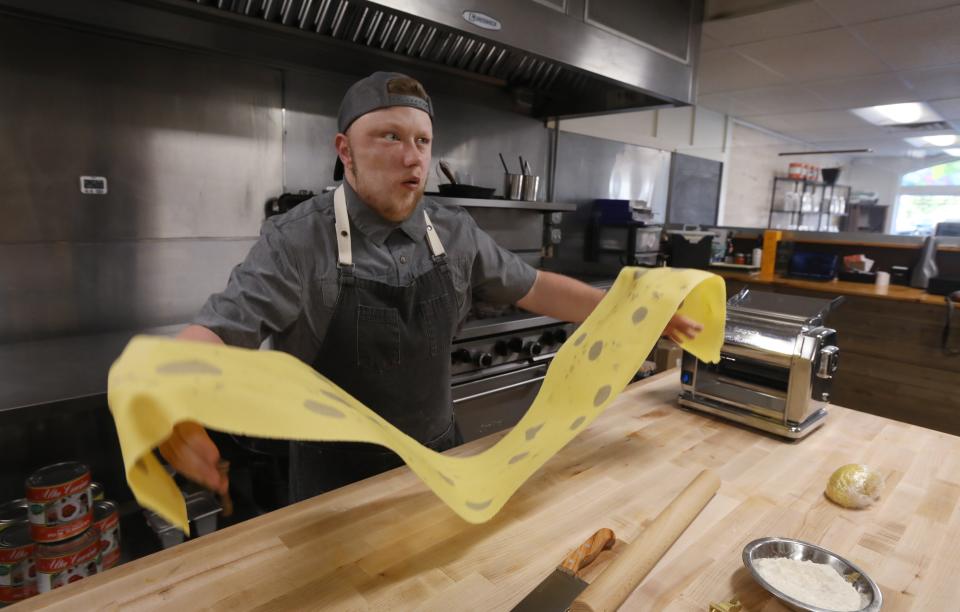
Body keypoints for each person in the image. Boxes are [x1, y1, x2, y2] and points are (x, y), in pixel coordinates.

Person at [160, 71, 702, 504]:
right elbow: (220, 328)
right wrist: (172, 395)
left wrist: (635, 309)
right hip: (336, 482)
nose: (412, 156)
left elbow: (536, 288)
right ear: (345, 150)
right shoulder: (298, 240)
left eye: (422, 140)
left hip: (441, 457)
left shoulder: (453, 229)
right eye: (389, 137)